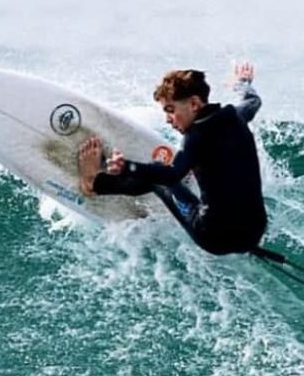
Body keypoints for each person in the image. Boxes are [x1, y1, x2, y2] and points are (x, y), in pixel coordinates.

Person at [77, 62, 267, 255]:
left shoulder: (196, 136)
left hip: (213, 237)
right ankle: (191, 171)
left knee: (159, 178)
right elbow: (253, 101)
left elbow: (171, 175)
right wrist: (243, 83)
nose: (168, 119)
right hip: (254, 232)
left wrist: (127, 167)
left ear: (194, 104)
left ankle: (93, 184)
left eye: (170, 109)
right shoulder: (236, 115)